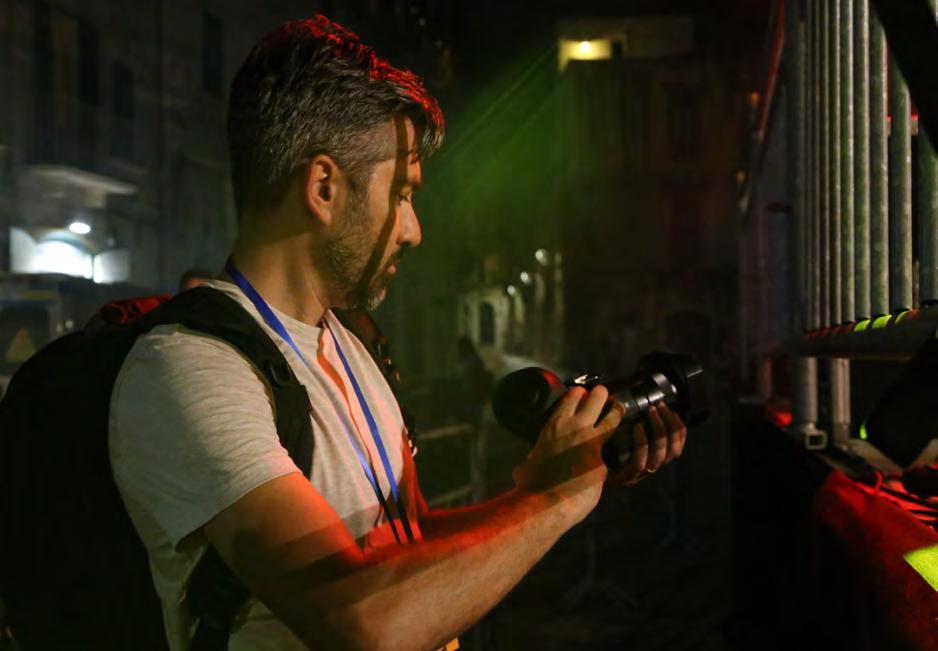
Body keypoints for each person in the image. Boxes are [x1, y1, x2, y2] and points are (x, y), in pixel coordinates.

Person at [109, 16, 688, 651]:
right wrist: (553, 502)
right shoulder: (191, 370)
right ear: (324, 188)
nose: (413, 230)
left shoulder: (350, 345)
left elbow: (406, 546)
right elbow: (364, 623)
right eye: (403, 194)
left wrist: (550, 484)